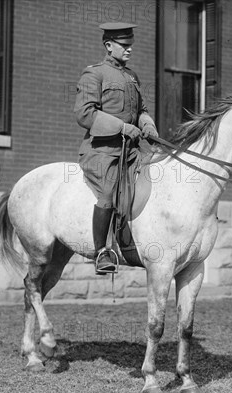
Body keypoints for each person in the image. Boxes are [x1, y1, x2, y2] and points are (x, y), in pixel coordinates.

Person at [74, 22, 158, 274]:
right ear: (109, 46)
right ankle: (102, 253)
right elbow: (85, 114)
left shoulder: (132, 77)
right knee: (108, 194)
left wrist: (148, 125)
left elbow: (140, 110)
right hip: (102, 151)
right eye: (124, 45)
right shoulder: (93, 74)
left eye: (130, 45)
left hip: (131, 151)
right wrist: (122, 127)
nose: (129, 49)